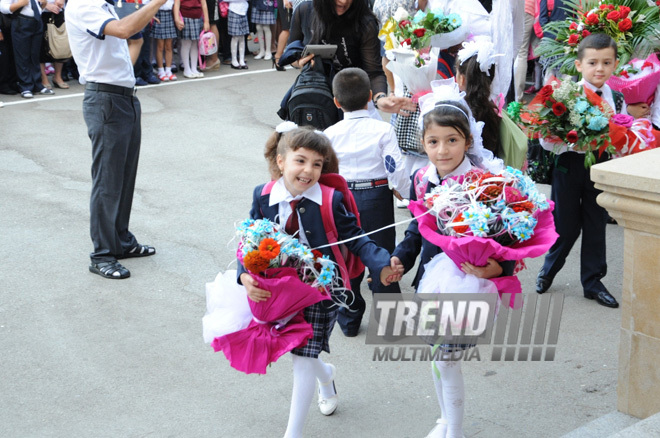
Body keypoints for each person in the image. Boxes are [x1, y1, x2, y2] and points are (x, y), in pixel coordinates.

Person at [243, 126, 402, 437]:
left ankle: (293, 433)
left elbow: (357, 239)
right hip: (279, 290)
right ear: (280, 160)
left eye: (317, 164)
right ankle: (326, 376)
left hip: (322, 288)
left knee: (303, 357)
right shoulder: (263, 196)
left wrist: (382, 264)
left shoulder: (331, 199)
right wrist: (244, 275)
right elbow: (248, 240)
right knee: (299, 351)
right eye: (300, 161)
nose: (308, 170)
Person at [391, 94, 511, 438]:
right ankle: (445, 418)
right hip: (431, 281)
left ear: (468, 140)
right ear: (422, 143)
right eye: (433, 142)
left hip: (470, 283)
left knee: (447, 358)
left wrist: (497, 270)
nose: (442, 150)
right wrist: (402, 255)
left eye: (452, 141)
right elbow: (418, 226)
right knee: (435, 353)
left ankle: (454, 429)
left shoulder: (484, 183)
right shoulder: (421, 180)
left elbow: (506, 238)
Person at [66, 0, 162, 279]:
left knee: (124, 177)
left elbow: (132, 36)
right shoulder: (83, 6)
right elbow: (123, 29)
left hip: (123, 97)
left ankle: (121, 241)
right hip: (106, 99)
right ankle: (102, 254)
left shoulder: (102, 6)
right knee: (107, 181)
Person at [536, 33, 623, 308]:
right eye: (593, 62)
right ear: (579, 65)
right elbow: (544, 139)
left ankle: (593, 282)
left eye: (606, 62)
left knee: (596, 223)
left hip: (600, 168)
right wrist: (570, 141)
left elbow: (622, 135)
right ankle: (548, 270)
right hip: (569, 167)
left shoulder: (617, 99)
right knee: (565, 224)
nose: (600, 69)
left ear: (615, 64)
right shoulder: (566, 94)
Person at [324, 68, 409, 336]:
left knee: (346, 258)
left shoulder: (329, 134)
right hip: (376, 196)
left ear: (336, 101)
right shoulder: (383, 129)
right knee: (381, 253)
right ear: (371, 97)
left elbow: (325, 173)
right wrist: (401, 190)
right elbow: (395, 167)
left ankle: (349, 320)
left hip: (341, 199)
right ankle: (390, 320)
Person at [288, 0, 415, 116]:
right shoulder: (304, 11)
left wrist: (380, 98)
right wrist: (299, 62)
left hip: (353, 101)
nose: (344, 1)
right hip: (313, 96)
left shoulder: (365, 22)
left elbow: (374, 72)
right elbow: (291, 54)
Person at [0, 0, 55, 98]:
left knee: (35, 56)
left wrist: (43, 4)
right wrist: (20, 4)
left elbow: (38, 7)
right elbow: (3, 8)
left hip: (37, 21)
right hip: (21, 21)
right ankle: (25, 86)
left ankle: (37, 85)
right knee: (22, 56)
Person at [173, 0, 210, 78]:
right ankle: (186, 69)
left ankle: (194, 68)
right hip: (185, 16)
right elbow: (177, 4)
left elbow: (204, 4)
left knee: (195, 44)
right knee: (186, 43)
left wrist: (206, 21)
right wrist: (177, 19)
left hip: (198, 17)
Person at [152, 0, 178, 81]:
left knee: (169, 46)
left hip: (169, 15)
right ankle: (161, 70)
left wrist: (176, 18)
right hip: (158, 14)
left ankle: (168, 70)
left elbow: (176, 4)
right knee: (160, 46)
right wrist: (152, 15)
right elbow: (146, 2)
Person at [224, 0, 249, 68]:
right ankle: (234, 60)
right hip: (234, 10)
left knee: (242, 36)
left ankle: (241, 60)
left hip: (243, 10)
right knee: (235, 36)